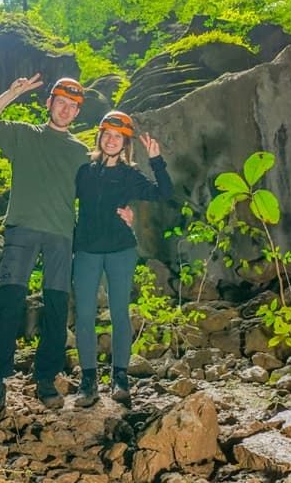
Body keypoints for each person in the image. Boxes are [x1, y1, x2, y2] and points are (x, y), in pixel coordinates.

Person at [0, 73, 89, 414]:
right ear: (48, 103)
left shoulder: (81, 153)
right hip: (21, 232)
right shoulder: (23, 135)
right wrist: (12, 92)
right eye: (61, 102)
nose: (66, 110)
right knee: (9, 302)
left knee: (56, 307)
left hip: (60, 237)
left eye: (73, 106)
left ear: (77, 113)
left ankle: (45, 378)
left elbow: (97, 196)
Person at [72, 110, 173, 407]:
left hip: (120, 250)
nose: (112, 140)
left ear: (125, 142)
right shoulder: (84, 171)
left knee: (119, 314)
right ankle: (88, 381)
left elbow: (163, 193)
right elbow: (64, 199)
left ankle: (120, 377)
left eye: (118, 136)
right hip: (87, 249)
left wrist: (156, 160)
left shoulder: (130, 175)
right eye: (108, 135)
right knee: (85, 316)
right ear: (100, 137)